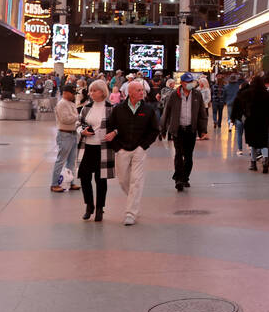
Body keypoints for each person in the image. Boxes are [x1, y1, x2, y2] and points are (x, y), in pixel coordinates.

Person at [109, 77, 159, 225]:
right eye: (138, 90)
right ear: (130, 92)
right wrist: (117, 147)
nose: (142, 92)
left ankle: (130, 213)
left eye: (142, 90)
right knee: (124, 180)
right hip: (122, 149)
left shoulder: (148, 110)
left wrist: (143, 146)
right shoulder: (118, 109)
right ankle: (134, 199)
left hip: (139, 150)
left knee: (136, 181)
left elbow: (154, 130)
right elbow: (111, 127)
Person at [77, 80, 116, 222]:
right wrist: (82, 131)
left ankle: (100, 208)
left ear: (102, 92)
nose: (91, 93)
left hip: (103, 148)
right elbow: (78, 123)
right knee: (84, 178)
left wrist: (114, 133)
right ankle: (89, 205)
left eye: (94, 90)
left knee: (101, 180)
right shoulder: (86, 108)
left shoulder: (111, 108)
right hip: (87, 147)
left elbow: (118, 126)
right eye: (90, 90)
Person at [163, 72, 207, 191]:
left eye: (191, 82)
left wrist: (203, 130)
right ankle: (178, 179)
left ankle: (185, 177)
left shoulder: (197, 95)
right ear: (182, 83)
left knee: (188, 156)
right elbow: (166, 112)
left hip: (190, 129)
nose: (189, 84)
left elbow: (202, 114)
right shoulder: (174, 95)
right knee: (178, 154)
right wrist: (163, 129)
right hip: (178, 129)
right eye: (187, 82)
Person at [51, 86, 79, 191]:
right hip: (64, 134)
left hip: (73, 134)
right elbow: (65, 119)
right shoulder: (62, 104)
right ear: (66, 93)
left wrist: (76, 117)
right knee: (61, 160)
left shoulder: (71, 103)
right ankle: (54, 184)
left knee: (71, 161)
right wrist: (78, 116)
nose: (74, 95)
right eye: (72, 93)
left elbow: (72, 117)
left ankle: (70, 182)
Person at [244, 74, 269, 172]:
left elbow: (245, 106)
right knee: (263, 142)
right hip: (263, 121)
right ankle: (265, 160)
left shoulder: (249, 93)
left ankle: (253, 163)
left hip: (251, 121)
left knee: (253, 143)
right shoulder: (267, 94)